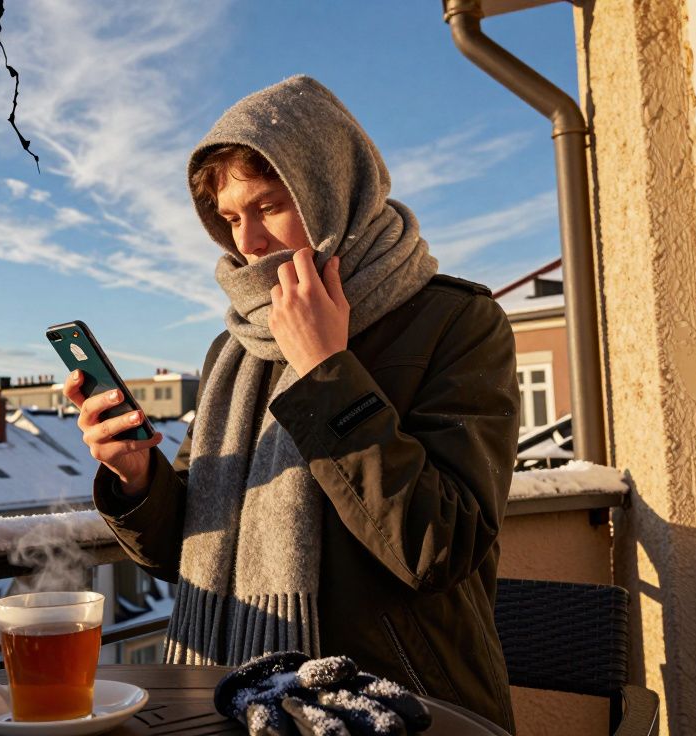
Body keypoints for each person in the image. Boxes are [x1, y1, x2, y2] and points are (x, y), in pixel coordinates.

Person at [63, 75, 519, 732]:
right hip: (240, 702)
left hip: (400, 708)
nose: (246, 242)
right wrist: (134, 477)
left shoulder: (457, 322)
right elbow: (182, 549)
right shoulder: (236, 347)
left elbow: (438, 545)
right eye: (229, 218)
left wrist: (325, 372)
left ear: (332, 188)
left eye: (269, 206)